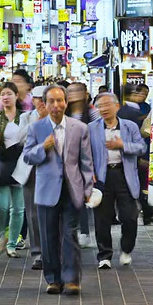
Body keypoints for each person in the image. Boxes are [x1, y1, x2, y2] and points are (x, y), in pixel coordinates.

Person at [23, 84, 94, 295]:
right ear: (44, 104)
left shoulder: (79, 128)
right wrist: (42, 148)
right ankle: (53, 279)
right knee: (48, 235)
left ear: (66, 102)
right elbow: (27, 156)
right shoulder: (36, 128)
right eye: (51, 101)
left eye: (60, 100)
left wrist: (88, 187)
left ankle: (72, 279)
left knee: (69, 234)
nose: (56, 105)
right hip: (46, 190)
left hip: (72, 188)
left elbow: (86, 161)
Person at [88, 93, 147, 269]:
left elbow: (141, 147)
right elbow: (86, 153)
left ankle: (126, 249)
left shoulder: (129, 127)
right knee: (102, 218)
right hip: (102, 176)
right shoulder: (91, 128)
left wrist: (123, 145)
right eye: (100, 106)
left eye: (107, 105)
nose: (104, 109)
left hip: (124, 174)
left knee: (129, 216)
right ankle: (104, 255)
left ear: (117, 106)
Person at [0, 82, 25, 258]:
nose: (5, 97)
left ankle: (11, 243)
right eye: (2, 94)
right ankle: (2, 236)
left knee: (18, 209)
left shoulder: (25, 117)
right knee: (0, 207)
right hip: (1, 165)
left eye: (9, 93)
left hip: (21, 165)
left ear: (16, 96)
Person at [65, 82, 100, 248]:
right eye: (70, 91)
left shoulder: (92, 112)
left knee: (81, 195)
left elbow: (98, 133)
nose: (74, 94)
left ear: (85, 93)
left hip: (85, 158)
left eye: (77, 91)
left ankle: (84, 232)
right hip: (67, 159)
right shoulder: (65, 110)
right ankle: (71, 231)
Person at [18, 85, 48, 270]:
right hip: (31, 170)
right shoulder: (25, 117)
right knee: (33, 213)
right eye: (38, 98)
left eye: (45, 99)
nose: (42, 103)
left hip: (53, 170)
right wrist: (38, 122)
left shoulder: (59, 117)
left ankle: (53, 250)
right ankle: (37, 252)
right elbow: (20, 139)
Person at [118, 83, 153, 224]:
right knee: (134, 185)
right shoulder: (128, 112)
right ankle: (144, 211)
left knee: (136, 185)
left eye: (145, 94)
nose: (143, 96)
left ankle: (145, 211)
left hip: (135, 153)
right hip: (133, 154)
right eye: (140, 93)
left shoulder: (132, 110)